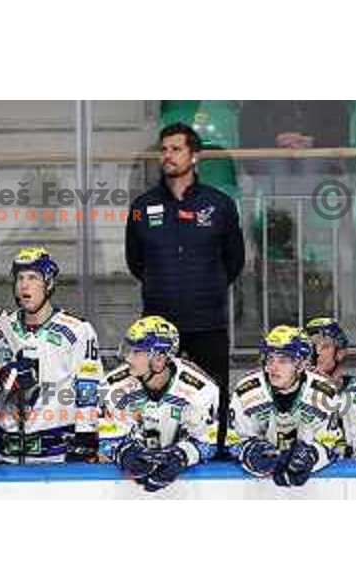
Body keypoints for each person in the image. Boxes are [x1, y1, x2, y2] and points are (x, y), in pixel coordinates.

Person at [125, 121, 245, 457]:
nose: (167, 155)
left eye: (176, 149)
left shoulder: (218, 204)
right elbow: (136, 262)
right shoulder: (141, 206)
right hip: (157, 327)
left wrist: (207, 286)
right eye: (163, 149)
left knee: (214, 393)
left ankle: (217, 454)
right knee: (157, 393)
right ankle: (160, 453)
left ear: (195, 156)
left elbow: (234, 260)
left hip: (207, 320)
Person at [0, 246, 103, 465]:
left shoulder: (78, 330)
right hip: (4, 457)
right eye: (20, 278)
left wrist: (86, 441)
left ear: (49, 283)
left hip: (56, 458)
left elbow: (88, 390)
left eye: (33, 277)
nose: (24, 285)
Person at [98, 315, 218, 493]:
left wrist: (180, 457)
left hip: (184, 487)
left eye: (136, 352)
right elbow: (108, 444)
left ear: (160, 359)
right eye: (128, 350)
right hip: (128, 487)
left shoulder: (201, 389)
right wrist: (126, 454)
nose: (128, 359)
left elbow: (207, 444)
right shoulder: (112, 386)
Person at [229, 325, 338, 487]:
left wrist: (311, 456)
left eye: (283, 360)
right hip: (259, 487)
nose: (273, 367)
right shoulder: (247, 390)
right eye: (270, 359)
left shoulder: (324, 393)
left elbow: (331, 444)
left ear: (301, 365)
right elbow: (233, 441)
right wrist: (249, 452)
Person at [305, 317, 356, 459]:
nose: (316, 354)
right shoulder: (288, 395)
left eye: (324, 347)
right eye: (310, 348)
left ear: (340, 353)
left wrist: (330, 394)